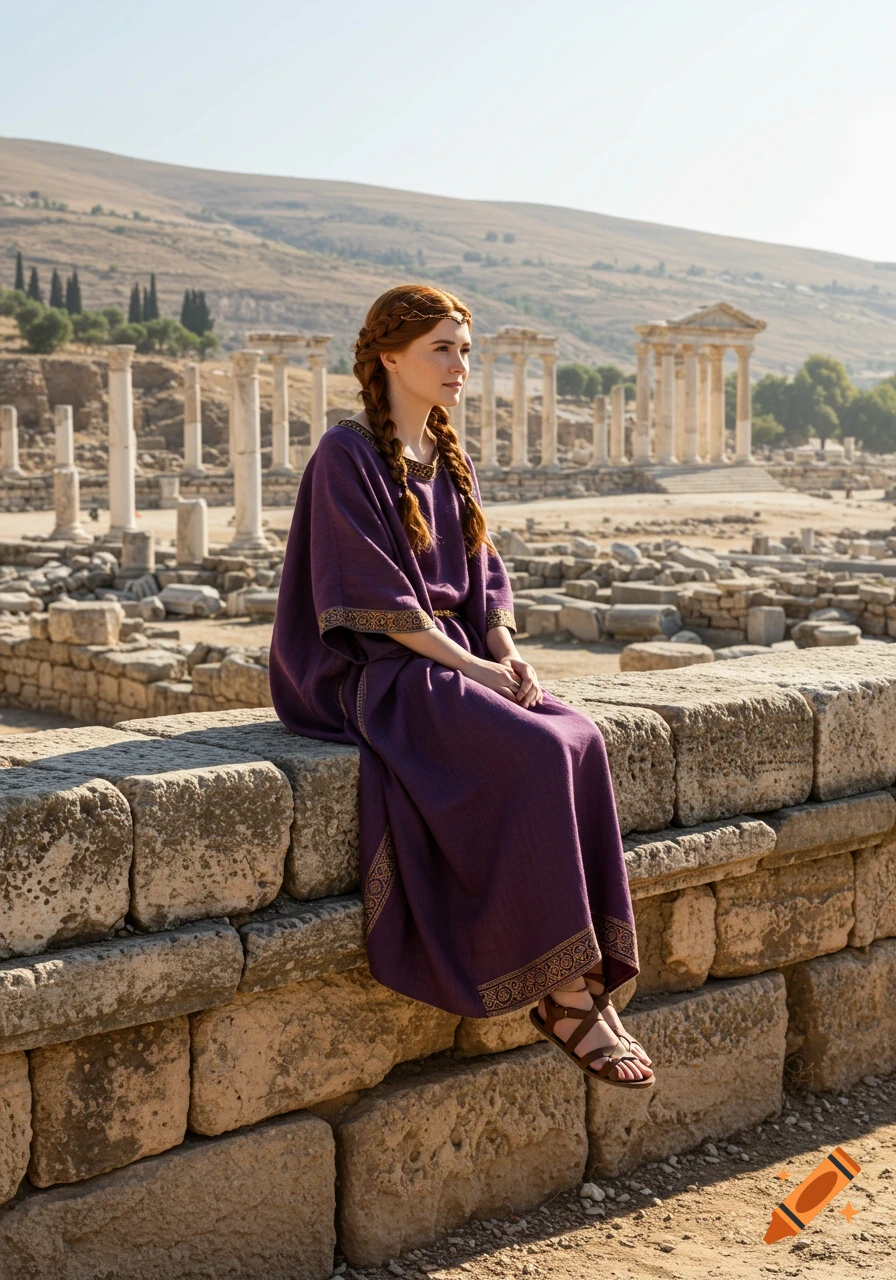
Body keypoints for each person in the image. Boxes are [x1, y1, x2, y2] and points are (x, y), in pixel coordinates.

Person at [269, 284, 653, 1088]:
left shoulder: (448, 456)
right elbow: (373, 600)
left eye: (464, 350)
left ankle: (584, 979)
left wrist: (505, 650)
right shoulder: (345, 456)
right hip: (374, 669)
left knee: (579, 736)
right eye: (442, 348)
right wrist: (473, 667)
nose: (459, 365)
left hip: (448, 658)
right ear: (389, 357)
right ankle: (563, 995)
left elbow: (486, 581)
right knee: (535, 754)